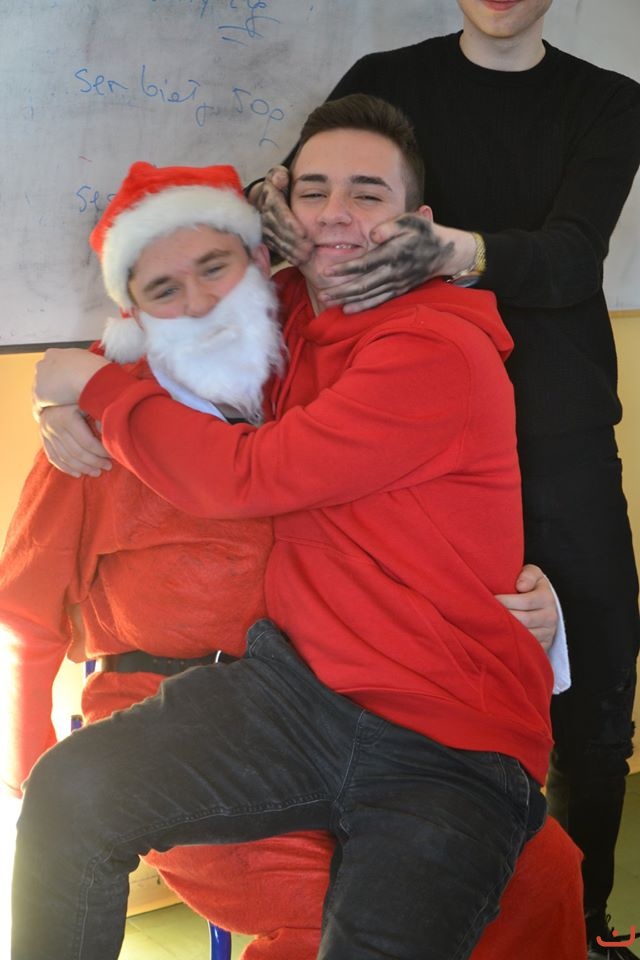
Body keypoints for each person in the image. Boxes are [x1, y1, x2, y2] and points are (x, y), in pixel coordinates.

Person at [15, 95, 576, 960]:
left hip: (438, 729)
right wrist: (64, 393)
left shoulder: (419, 346)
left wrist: (87, 387)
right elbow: (197, 286)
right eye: (313, 193)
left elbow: (246, 474)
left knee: (520, 886)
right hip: (289, 699)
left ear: (420, 226)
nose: (337, 214)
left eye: (367, 194)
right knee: (72, 797)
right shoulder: (287, 326)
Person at [249, 3, 640, 956]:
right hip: (408, 424)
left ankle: (579, 924)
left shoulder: (608, 101)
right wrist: (268, 200)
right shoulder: (388, 77)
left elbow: (570, 258)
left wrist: (453, 252)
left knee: (593, 688)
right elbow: (300, 208)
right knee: (426, 672)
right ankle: (438, 906)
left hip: (555, 427)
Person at [0, 160, 342, 959]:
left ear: (259, 264)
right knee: (338, 917)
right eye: (163, 289)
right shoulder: (91, 436)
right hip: (167, 715)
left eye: (214, 268)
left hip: (330, 708)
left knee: (492, 870)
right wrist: (35, 775)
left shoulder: (312, 388)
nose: (198, 303)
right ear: (133, 313)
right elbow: (24, 610)